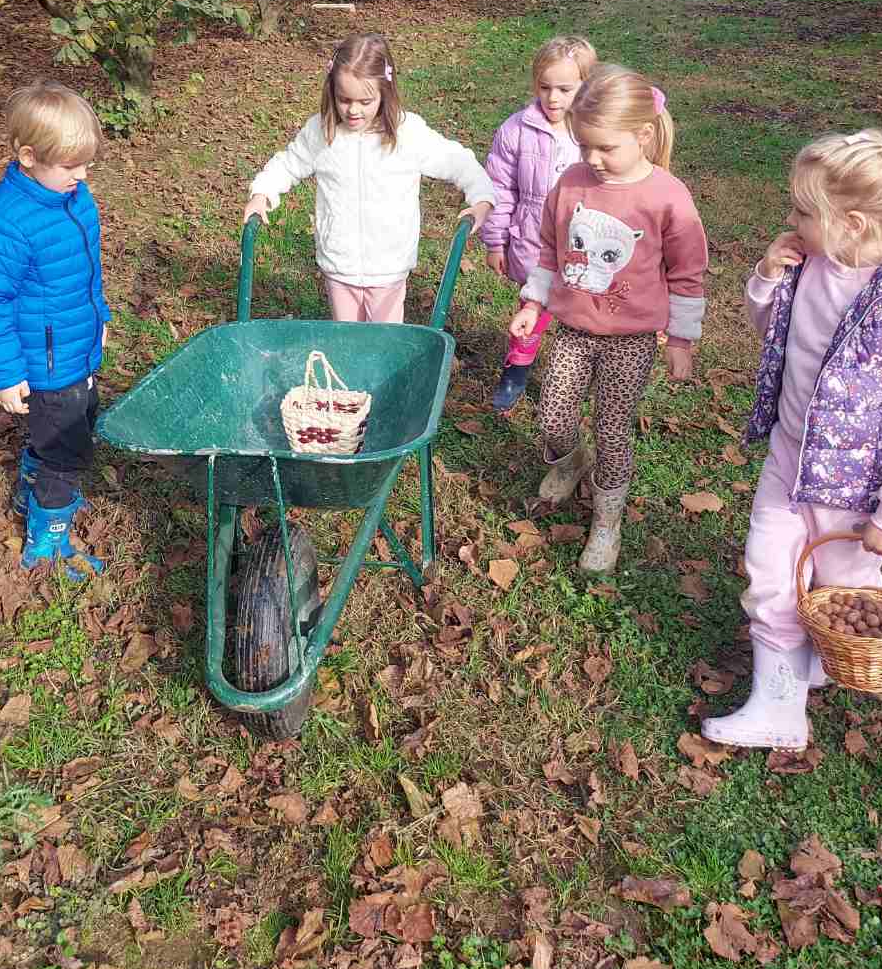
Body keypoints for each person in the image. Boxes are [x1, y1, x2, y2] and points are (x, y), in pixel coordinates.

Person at [703, 128, 882, 751]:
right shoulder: (813, 263)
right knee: (767, 568)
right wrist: (763, 278)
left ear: (854, 223)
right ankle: (777, 702)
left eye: (803, 213)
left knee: (842, 583)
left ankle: (816, 662)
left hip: (854, 487)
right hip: (790, 453)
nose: (790, 220)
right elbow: (773, 330)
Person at [509, 64, 707, 574]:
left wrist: (680, 340)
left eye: (605, 148)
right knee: (553, 418)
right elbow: (551, 250)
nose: (592, 159)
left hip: (631, 339)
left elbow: (688, 274)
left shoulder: (668, 196)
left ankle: (606, 521)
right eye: (583, 147)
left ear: (643, 135)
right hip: (573, 330)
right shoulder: (572, 183)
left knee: (613, 429)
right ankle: (572, 463)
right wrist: (534, 303)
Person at [244, 33, 495, 322]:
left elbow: (457, 160)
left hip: (389, 265)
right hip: (339, 263)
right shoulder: (322, 132)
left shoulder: (406, 133)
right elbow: (288, 163)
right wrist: (262, 193)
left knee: (384, 342)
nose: (353, 110)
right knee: (348, 337)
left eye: (365, 101)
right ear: (332, 91)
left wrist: (481, 197)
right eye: (344, 99)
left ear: (384, 92)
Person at [0, 81, 110, 579]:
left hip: (78, 346)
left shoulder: (72, 198)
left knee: (80, 422)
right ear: (28, 156)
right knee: (66, 452)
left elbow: (86, 270)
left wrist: (101, 318)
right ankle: (47, 539)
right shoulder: (7, 223)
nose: (82, 175)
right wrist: (5, 376)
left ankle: (36, 484)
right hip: (47, 366)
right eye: (70, 166)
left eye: (86, 164)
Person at [481, 36, 598, 412]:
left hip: (586, 248)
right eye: (545, 88)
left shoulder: (593, 133)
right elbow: (499, 187)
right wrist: (496, 241)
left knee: (583, 315)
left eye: (565, 89)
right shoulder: (517, 129)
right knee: (532, 309)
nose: (553, 98)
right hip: (534, 243)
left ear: (586, 86)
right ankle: (517, 367)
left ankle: (578, 375)